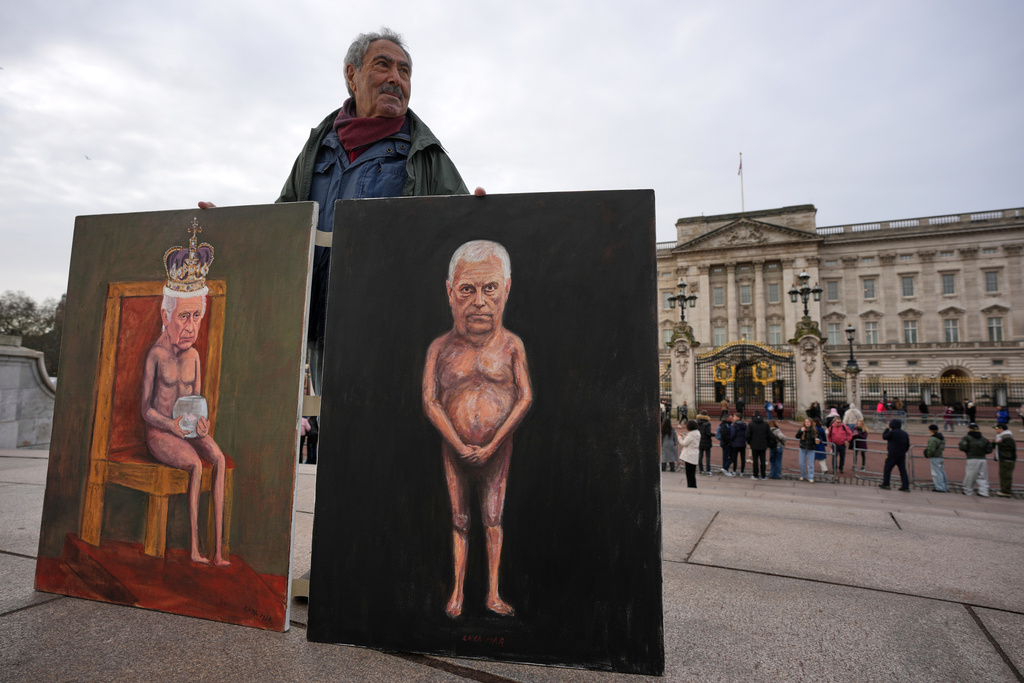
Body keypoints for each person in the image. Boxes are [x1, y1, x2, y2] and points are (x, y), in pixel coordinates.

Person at [269, 28, 476, 393]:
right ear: (352, 75)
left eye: (404, 71)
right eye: (383, 65)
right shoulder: (316, 150)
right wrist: (231, 229)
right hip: (321, 330)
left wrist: (483, 215)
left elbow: (464, 237)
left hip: (395, 331)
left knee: (387, 419)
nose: (396, 78)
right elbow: (282, 224)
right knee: (327, 421)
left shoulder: (427, 156)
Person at [422, 241, 532, 618]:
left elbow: (525, 398)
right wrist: (457, 444)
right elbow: (430, 401)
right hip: (454, 448)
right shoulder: (440, 348)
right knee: (459, 519)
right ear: (450, 291)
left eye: (490, 288)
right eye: (468, 289)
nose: (480, 301)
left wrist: (492, 445)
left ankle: (492, 593)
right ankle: (457, 592)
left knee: (493, 519)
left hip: (497, 449)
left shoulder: (512, 346)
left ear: (507, 288)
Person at [141, 224, 229, 566]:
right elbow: (146, 411)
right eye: (183, 317)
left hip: (188, 429)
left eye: (196, 316)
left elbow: (198, 402)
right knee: (194, 464)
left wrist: (202, 425)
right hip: (161, 433)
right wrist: (171, 426)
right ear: (166, 316)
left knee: (218, 458)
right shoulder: (156, 355)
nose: (191, 326)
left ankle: (218, 550)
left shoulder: (193, 356)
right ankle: (194, 547)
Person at [959, 423, 992, 497]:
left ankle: (967, 491)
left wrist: (967, 450)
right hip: (983, 459)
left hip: (972, 458)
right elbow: (989, 450)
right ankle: (983, 491)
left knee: (970, 476)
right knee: (983, 476)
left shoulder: (966, 438)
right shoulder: (984, 439)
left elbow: (962, 447)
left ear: (969, 429)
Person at [879, 419, 910, 491]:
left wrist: (887, 428)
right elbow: (907, 445)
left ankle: (886, 484)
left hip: (892, 453)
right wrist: (904, 451)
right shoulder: (905, 433)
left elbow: (884, 436)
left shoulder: (892, 433)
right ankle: (905, 486)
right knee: (903, 470)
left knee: (887, 469)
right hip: (902, 454)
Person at [993, 423, 1016, 498]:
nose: (995, 430)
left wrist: (998, 443)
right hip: (1004, 459)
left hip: (1007, 459)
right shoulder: (1003, 436)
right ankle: (1004, 490)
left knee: (1005, 475)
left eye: (996, 428)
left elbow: (1011, 447)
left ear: (1001, 429)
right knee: (1003, 475)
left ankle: (1006, 491)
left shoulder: (1006, 437)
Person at [923, 424, 948, 492]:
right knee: (941, 472)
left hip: (934, 457)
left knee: (936, 473)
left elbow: (931, 449)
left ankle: (939, 487)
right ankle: (944, 486)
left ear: (930, 430)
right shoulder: (941, 438)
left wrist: (928, 454)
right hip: (940, 456)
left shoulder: (933, 439)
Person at [746, 412, 771, 480]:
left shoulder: (751, 424)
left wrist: (749, 442)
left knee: (755, 461)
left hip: (754, 444)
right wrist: (767, 443)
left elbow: (748, 435)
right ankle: (763, 475)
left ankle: (755, 475)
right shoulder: (766, 424)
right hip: (763, 444)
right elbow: (769, 435)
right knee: (763, 460)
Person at [678, 420, 701, 488]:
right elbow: (690, 440)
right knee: (692, 472)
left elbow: (684, 443)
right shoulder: (697, 432)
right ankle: (692, 485)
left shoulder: (691, 434)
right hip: (694, 453)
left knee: (689, 472)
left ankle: (691, 485)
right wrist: (684, 436)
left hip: (689, 454)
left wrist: (679, 437)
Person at [794, 418, 818, 482]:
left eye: (808, 422)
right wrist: (801, 431)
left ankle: (811, 477)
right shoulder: (802, 429)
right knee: (801, 463)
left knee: (810, 464)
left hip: (811, 449)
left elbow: (818, 438)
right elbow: (797, 436)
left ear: (811, 423)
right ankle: (803, 475)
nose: (807, 423)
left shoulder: (814, 430)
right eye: (806, 422)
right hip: (803, 448)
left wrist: (818, 441)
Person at [696, 411, 714, 475]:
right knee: (707, 456)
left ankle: (701, 470)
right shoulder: (707, 423)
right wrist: (714, 434)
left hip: (700, 440)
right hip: (706, 441)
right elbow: (708, 433)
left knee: (700, 456)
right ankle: (708, 470)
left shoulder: (697, 422)